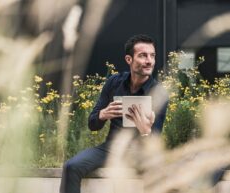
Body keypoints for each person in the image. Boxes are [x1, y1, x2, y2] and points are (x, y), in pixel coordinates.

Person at [59, 34, 169, 193]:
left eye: (152, 55)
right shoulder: (114, 82)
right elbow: (92, 124)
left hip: (142, 154)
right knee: (71, 166)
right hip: (111, 149)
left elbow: (155, 140)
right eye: (143, 55)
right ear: (129, 59)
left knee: (156, 173)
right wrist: (102, 114)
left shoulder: (159, 93)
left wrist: (145, 131)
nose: (149, 61)